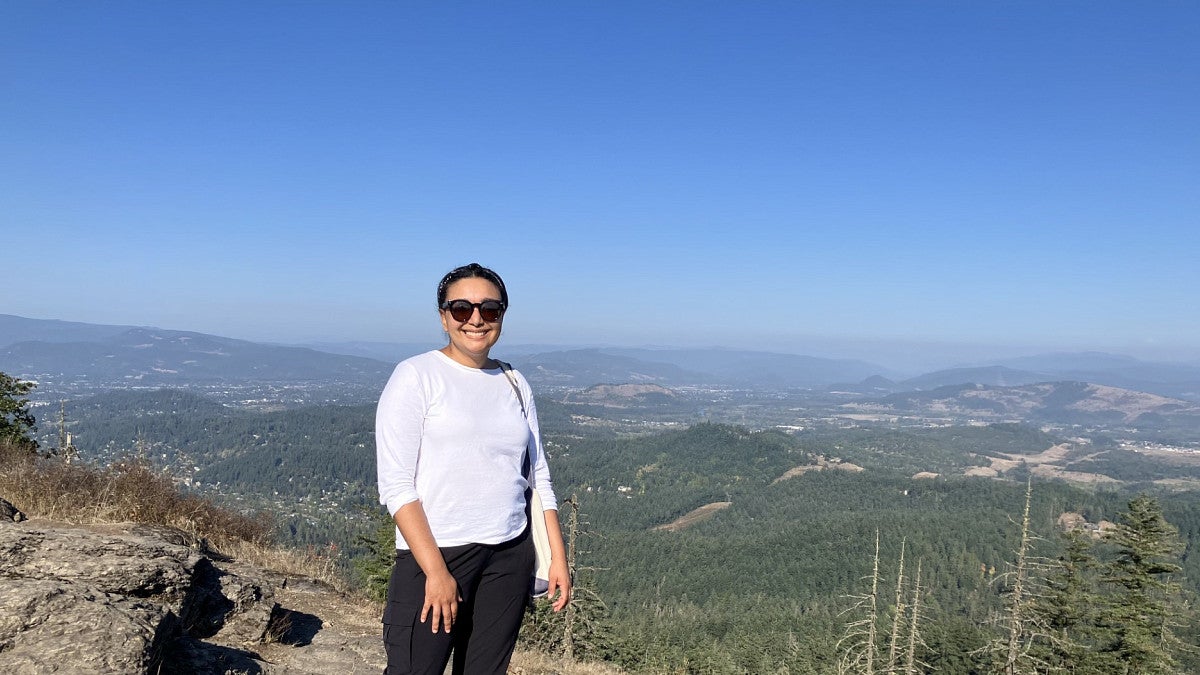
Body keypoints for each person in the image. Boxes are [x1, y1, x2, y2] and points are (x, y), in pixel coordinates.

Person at [375, 263, 571, 675]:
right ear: (443, 316)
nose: (476, 319)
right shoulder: (416, 376)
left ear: (502, 315)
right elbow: (396, 486)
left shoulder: (514, 381)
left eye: (490, 309)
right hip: (436, 553)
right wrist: (436, 572)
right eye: (462, 308)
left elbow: (539, 475)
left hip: (509, 554)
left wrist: (558, 557)